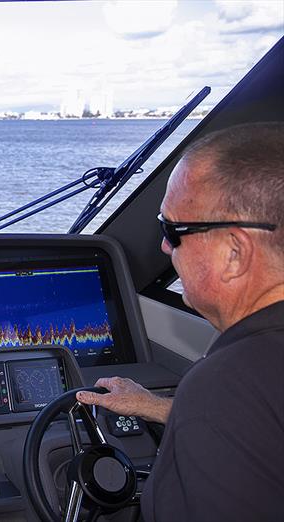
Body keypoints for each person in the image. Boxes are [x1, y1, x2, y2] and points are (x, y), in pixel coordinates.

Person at [76, 122, 284, 522]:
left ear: (234, 254)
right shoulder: (240, 392)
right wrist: (161, 407)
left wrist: (202, 410)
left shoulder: (227, 386)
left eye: (173, 230)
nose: (164, 247)